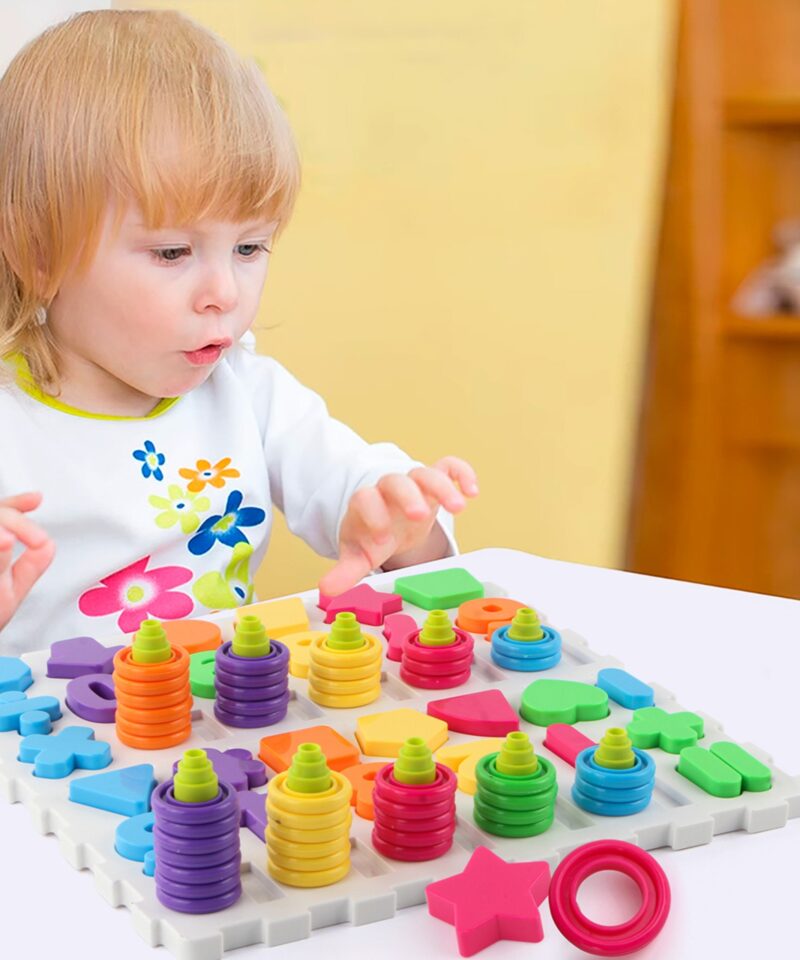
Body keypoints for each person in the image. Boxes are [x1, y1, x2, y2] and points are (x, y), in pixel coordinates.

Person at [0, 10, 478, 655]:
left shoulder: (247, 393)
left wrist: (404, 524)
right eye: (172, 254)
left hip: (217, 735)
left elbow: (361, 487)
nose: (225, 293)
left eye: (250, 247)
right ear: (37, 251)